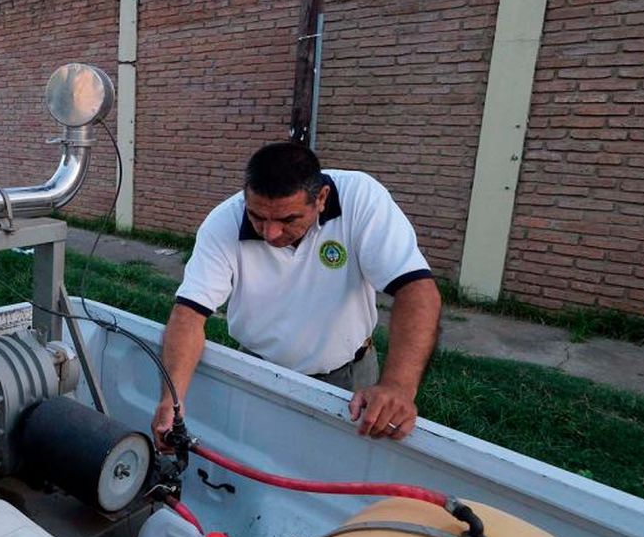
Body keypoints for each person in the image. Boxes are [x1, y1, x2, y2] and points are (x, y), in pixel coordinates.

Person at [152, 141, 441, 445]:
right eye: (257, 217)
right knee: (254, 453)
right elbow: (188, 314)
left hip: (349, 377)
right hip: (257, 370)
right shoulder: (223, 222)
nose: (270, 233)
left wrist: (398, 386)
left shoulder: (361, 198)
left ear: (322, 198)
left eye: (288, 220)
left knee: (337, 469)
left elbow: (417, 290)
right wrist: (172, 400)